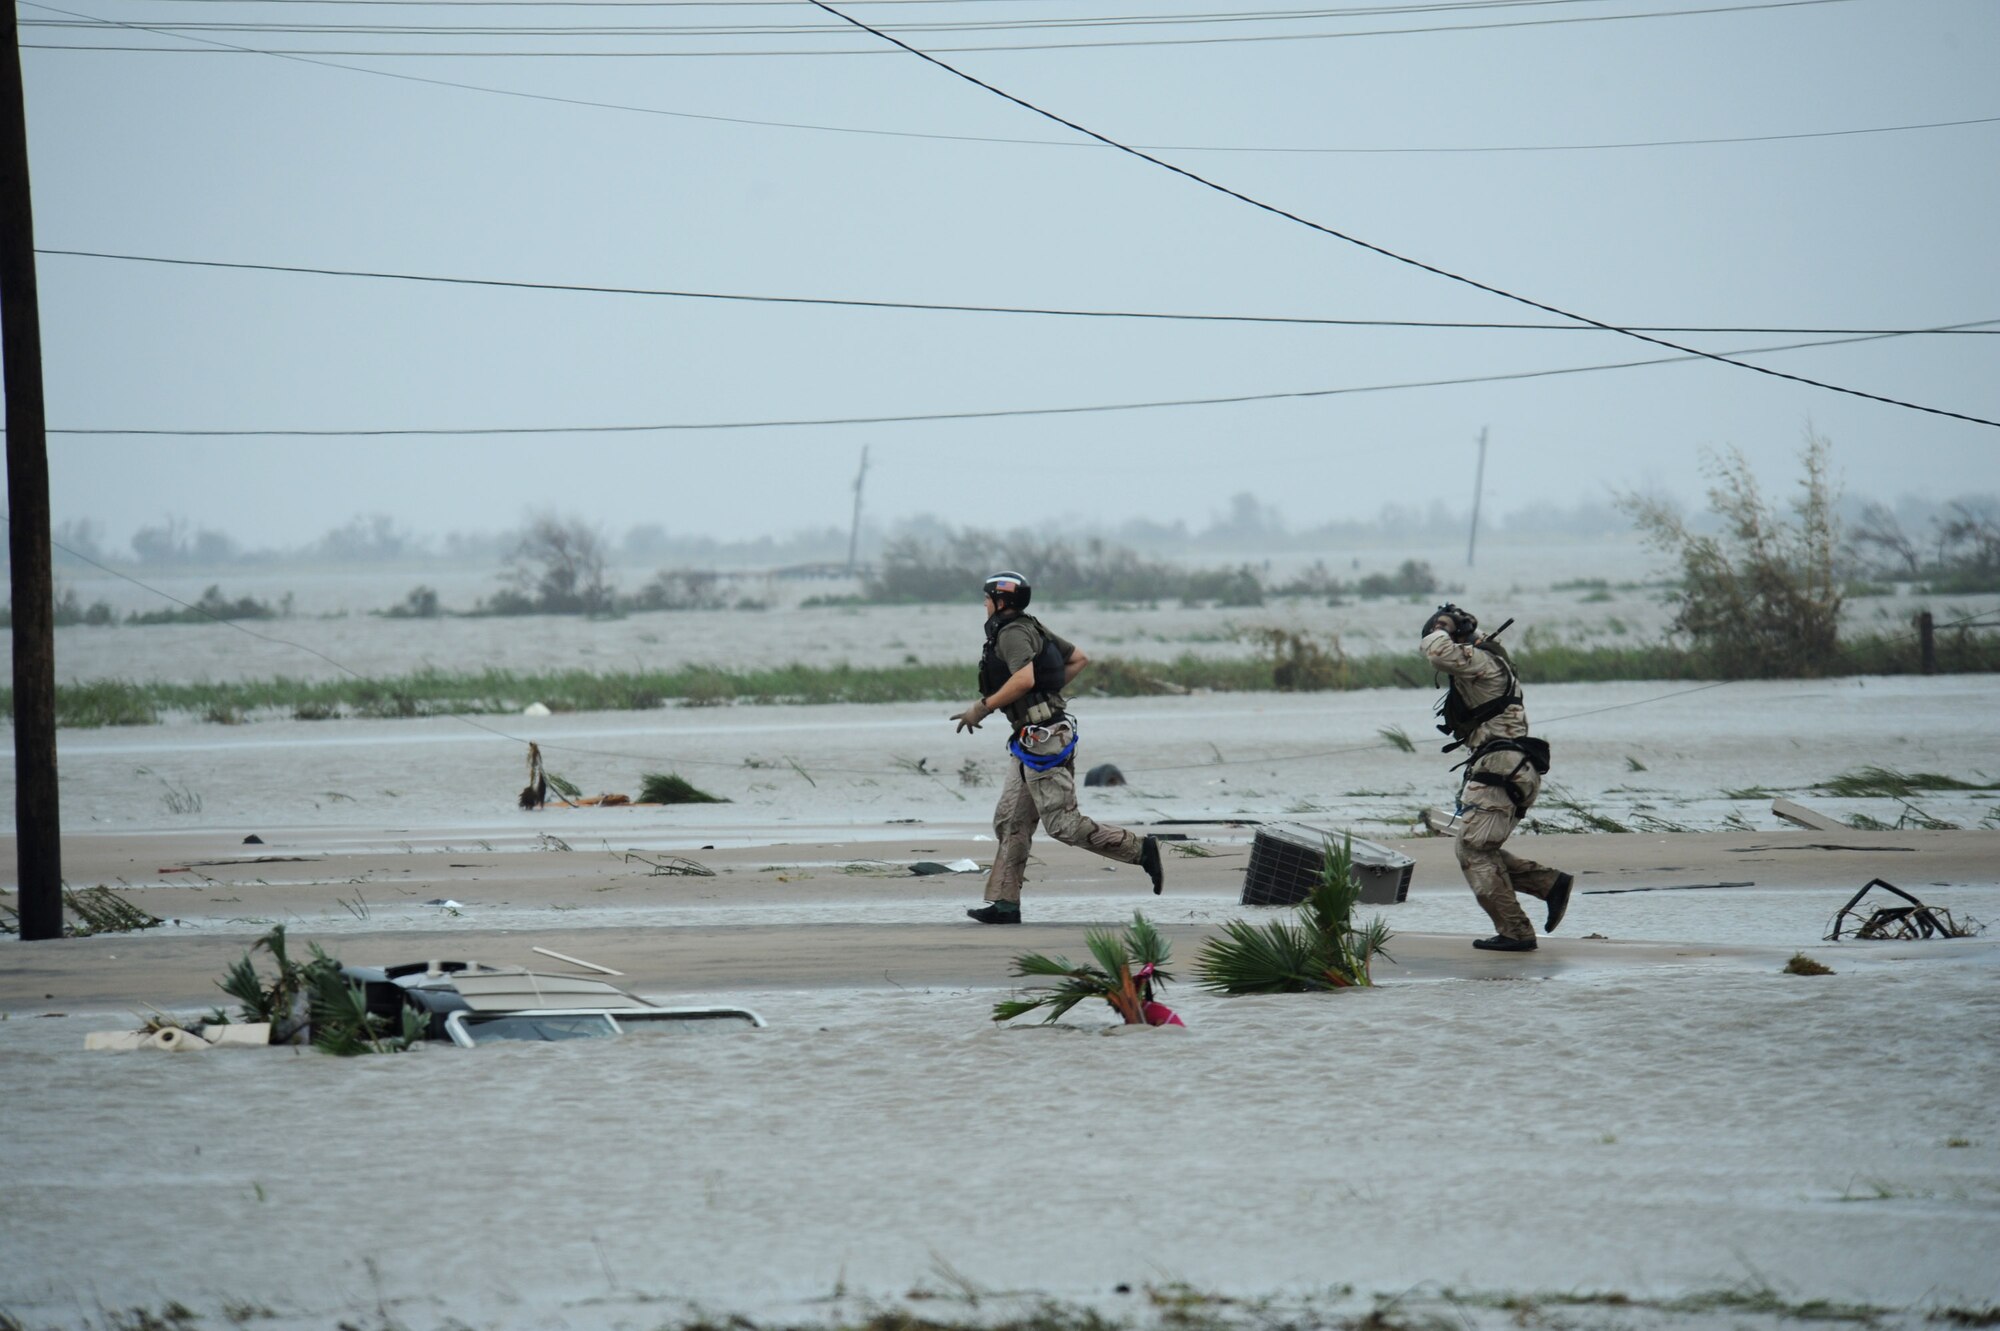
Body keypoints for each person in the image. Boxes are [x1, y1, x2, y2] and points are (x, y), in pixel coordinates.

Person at [951, 571, 1163, 923]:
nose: (984, 604)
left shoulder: (1013, 634)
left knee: (1062, 825)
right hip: (1030, 738)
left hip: (1044, 741)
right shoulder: (1032, 626)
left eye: (987, 598)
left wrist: (982, 708)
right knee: (1010, 821)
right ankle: (1006, 904)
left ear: (1001, 602)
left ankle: (1140, 850)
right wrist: (1045, 698)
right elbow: (1079, 658)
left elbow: (1023, 678)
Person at [1421, 603, 1573, 952]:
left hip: (1502, 767)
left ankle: (1516, 932)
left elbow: (1440, 653)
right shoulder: (1488, 660)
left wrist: (1439, 628)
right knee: (1475, 847)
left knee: (1474, 850)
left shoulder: (1481, 661)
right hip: (1508, 766)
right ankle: (1549, 885)